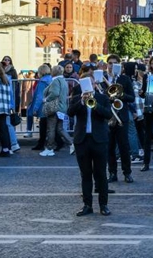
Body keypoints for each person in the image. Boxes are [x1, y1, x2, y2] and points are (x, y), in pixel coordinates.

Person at [68, 76, 112, 216]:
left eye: (91, 84)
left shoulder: (102, 98)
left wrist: (96, 105)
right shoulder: (77, 99)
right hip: (82, 140)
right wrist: (81, 101)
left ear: (94, 85)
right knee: (85, 174)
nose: (88, 87)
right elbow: (69, 112)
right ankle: (87, 205)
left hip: (99, 140)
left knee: (101, 174)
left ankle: (103, 205)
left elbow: (108, 114)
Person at [40, 66, 73, 157]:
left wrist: (46, 99)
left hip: (54, 108)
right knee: (60, 128)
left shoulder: (55, 81)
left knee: (51, 129)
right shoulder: (63, 81)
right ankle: (72, 143)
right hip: (62, 108)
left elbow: (54, 93)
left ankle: (49, 148)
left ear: (53, 72)